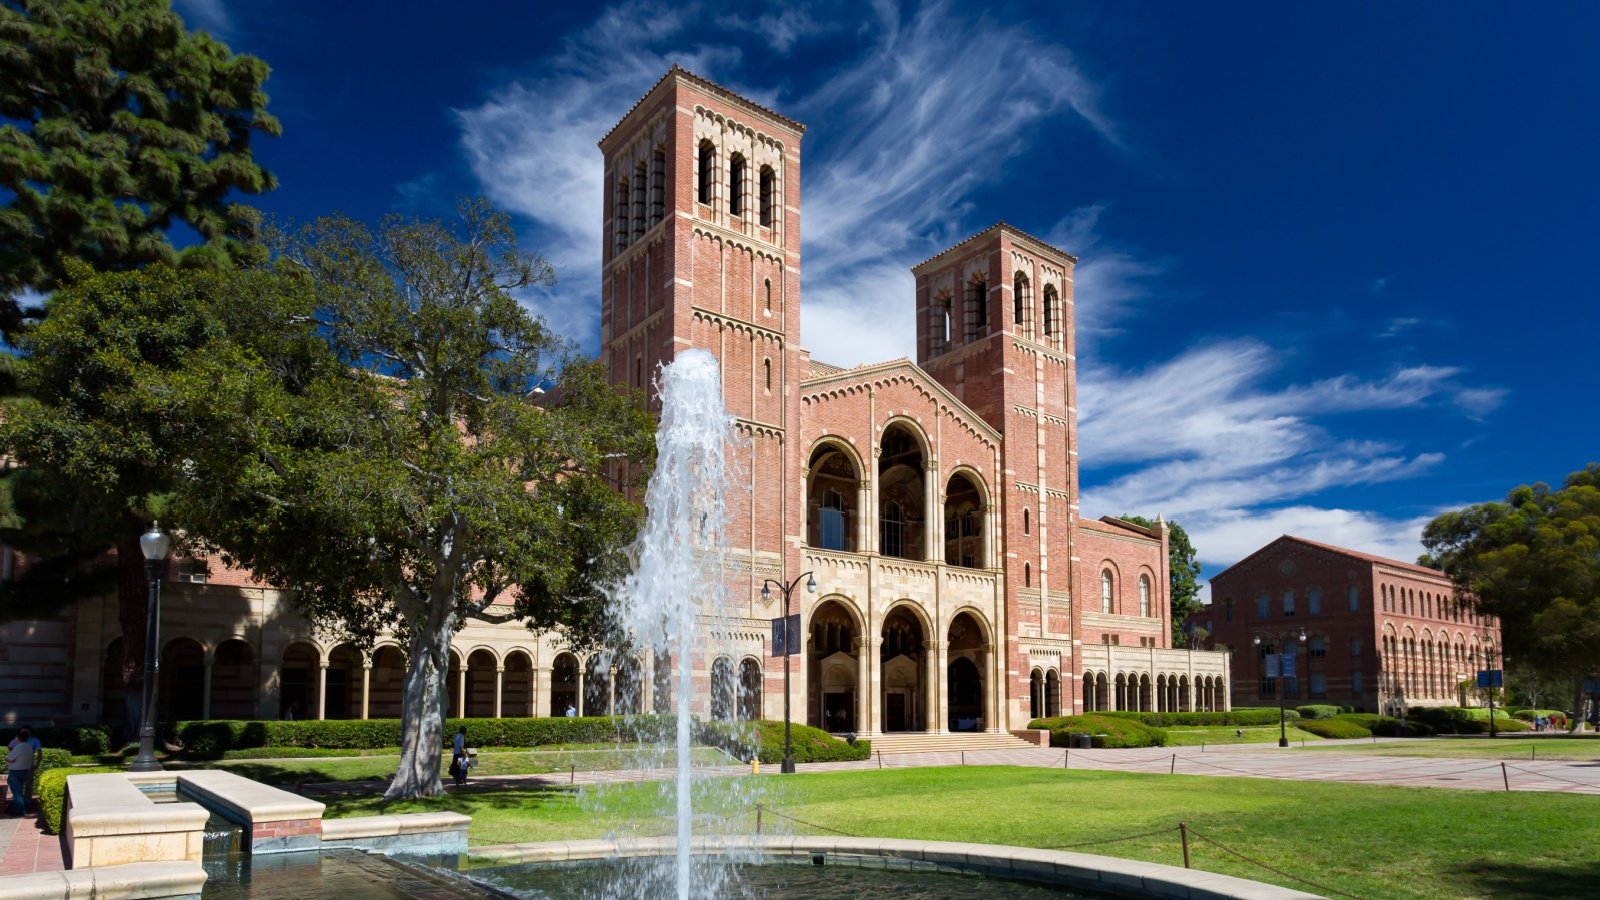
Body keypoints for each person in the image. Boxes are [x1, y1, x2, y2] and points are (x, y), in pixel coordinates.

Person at [5, 727, 38, 817]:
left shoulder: (19, 747)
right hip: (26, 771)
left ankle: (19, 810)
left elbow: (8, 758)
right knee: (19, 792)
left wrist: (12, 760)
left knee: (17, 793)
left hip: (16, 772)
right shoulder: (29, 747)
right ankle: (15, 808)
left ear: (18, 738)